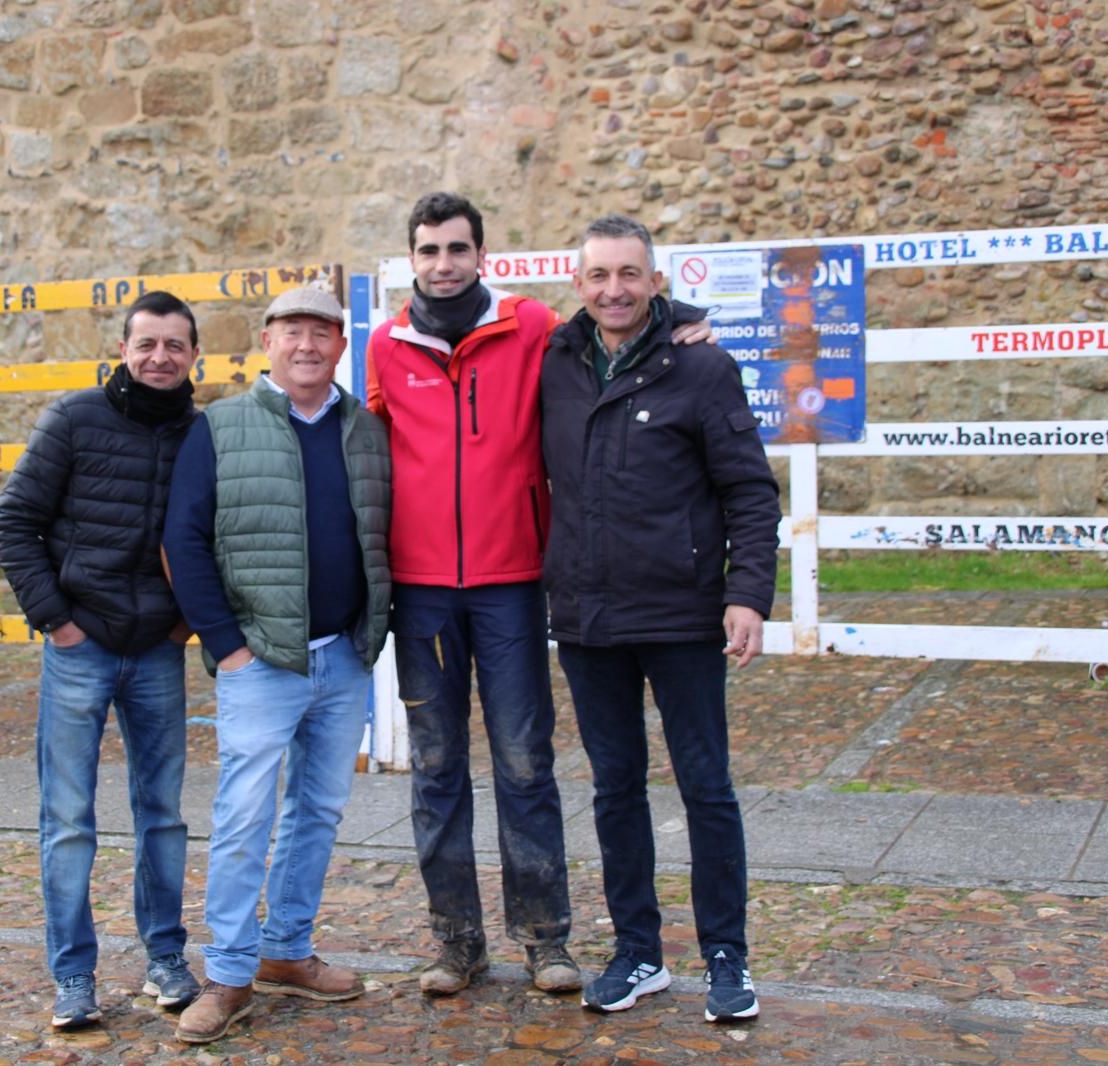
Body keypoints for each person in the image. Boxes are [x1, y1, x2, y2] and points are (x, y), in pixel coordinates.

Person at [364, 192, 713, 996]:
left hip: (514, 583)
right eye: (428, 251)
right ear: (412, 260)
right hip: (423, 594)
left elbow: (614, 319)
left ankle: (544, 938)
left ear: (482, 254)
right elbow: (374, 447)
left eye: (457, 249)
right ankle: (456, 942)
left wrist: (686, 318)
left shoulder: (529, 328)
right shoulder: (387, 345)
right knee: (437, 767)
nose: (443, 264)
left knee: (525, 764)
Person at [539, 213, 780, 1019]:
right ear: (579, 285)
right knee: (615, 790)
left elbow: (748, 488)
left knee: (706, 787)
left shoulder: (702, 368)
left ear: (656, 282)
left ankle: (726, 957)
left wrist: (746, 593)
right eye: (599, 276)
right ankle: (638, 952)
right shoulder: (555, 364)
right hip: (588, 620)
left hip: (682, 616)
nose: (614, 290)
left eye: (629, 275)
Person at [162, 286, 391, 1044]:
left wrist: (369, 631)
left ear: (339, 344)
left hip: (342, 657)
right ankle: (227, 972)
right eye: (293, 332)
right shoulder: (221, 427)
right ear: (267, 340)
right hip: (258, 661)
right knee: (243, 818)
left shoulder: (364, 429)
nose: (307, 346)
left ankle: (286, 951)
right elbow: (184, 541)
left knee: (317, 813)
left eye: (322, 333)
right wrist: (225, 644)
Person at [0, 292, 205, 1029]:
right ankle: (73, 976)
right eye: (147, 343)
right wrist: (57, 623)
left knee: (164, 817)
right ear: (124, 348)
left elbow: (216, 537)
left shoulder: (200, 434)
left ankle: (165, 958)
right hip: (80, 647)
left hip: (157, 652)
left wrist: (182, 627)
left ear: (193, 356)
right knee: (69, 818)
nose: (160, 357)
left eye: (175, 345)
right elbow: (12, 524)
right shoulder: (74, 418)